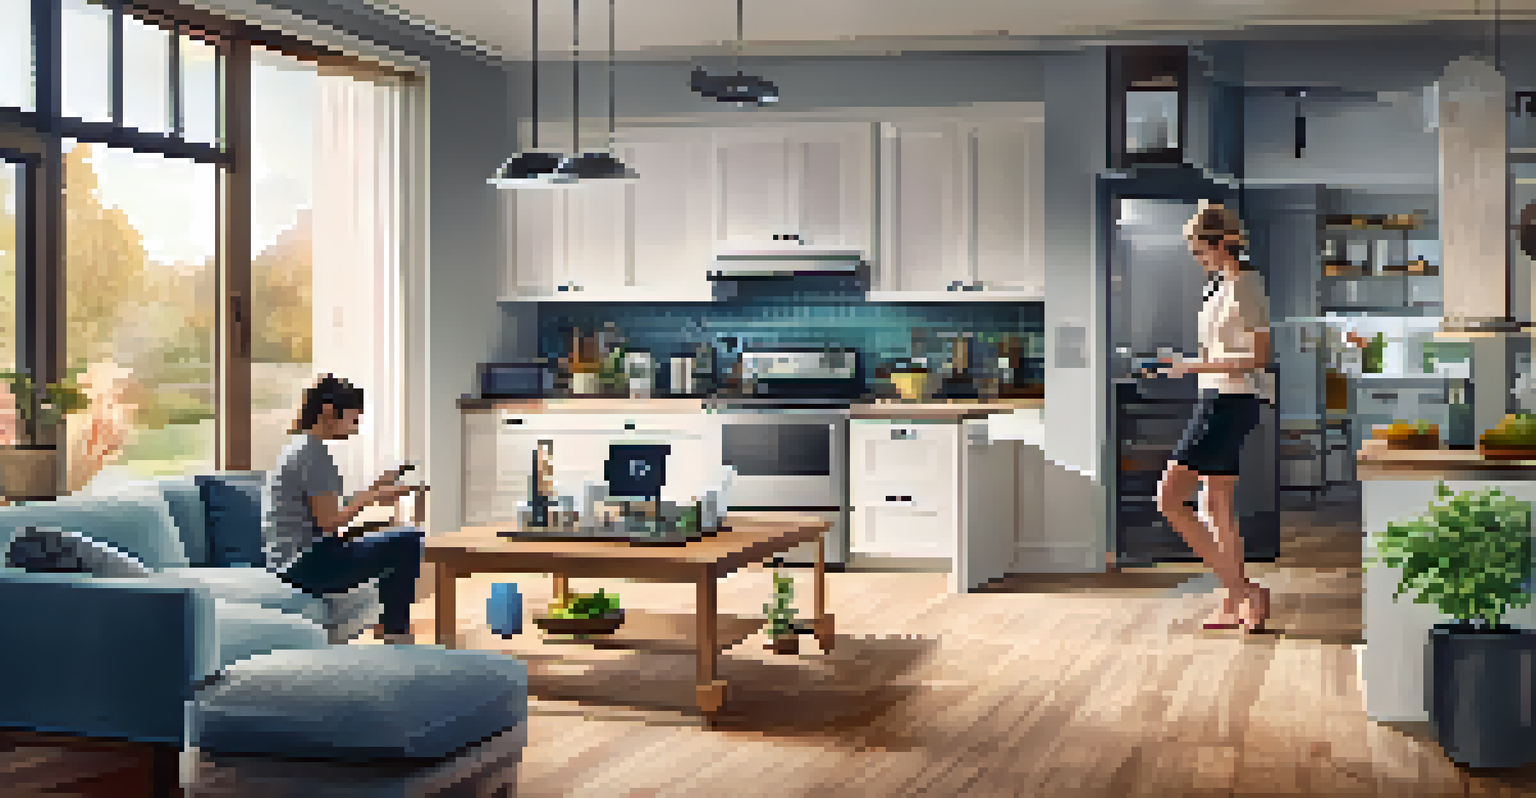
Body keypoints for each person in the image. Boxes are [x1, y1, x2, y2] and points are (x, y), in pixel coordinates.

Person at [1146, 202, 1275, 632]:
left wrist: (1192, 367)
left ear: (1222, 245)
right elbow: (1218, 349)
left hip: (1229, 403)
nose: (1200, 262)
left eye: (1203, 254)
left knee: (1170, 499)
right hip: (1215, 398)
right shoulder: (1219, 285)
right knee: (1216, 504)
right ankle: (1234, 600)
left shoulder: (1247, 286)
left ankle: (1244, 592)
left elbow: (1259, 358)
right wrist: (1188, 363)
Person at [263, 374, 422, 645]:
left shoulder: (302, 448)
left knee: (395, 538)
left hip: (295, 558)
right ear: (328, 411)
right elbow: (329, 522)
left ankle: (390, 626)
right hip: (304, 564)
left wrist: (374, 489)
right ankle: (396, 632)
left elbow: (322, 510)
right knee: (408, 540)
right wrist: (370, 497)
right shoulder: (312, 455)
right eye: (354, 419)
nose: (356, 427)